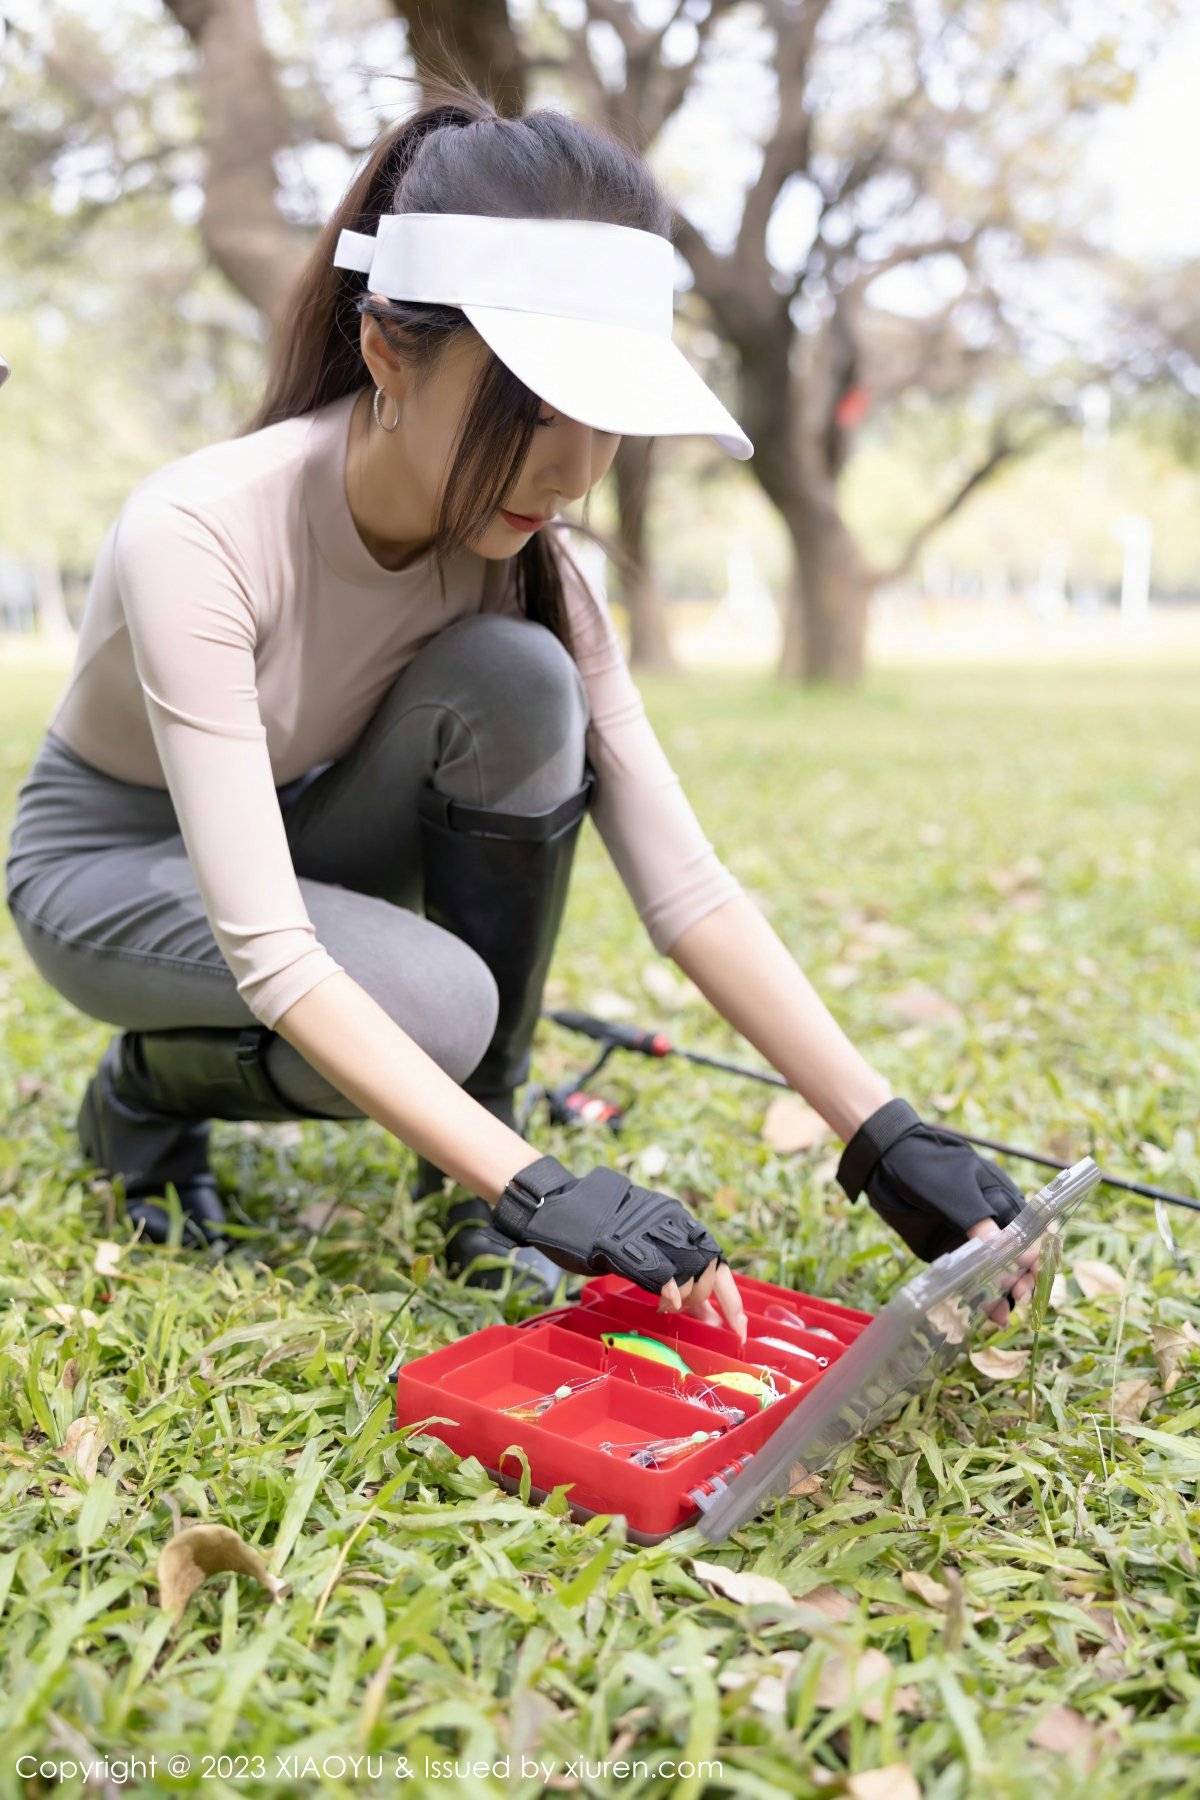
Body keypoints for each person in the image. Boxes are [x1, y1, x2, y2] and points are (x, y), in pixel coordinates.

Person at [3, 81, 1033, 1336]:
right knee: (435, 1006)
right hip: (113, 867)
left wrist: (887, 1136)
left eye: (605, 416)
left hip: (311, 830)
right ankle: (143, 1095)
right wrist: (542, 1184)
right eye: (537, 407)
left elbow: (686, 885)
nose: (576, 468)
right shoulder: (199, 528)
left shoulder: (527, 558)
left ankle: (465, 1188)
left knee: (520, 673)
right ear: (388, 350)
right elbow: (271, 948)